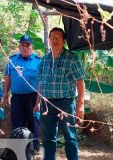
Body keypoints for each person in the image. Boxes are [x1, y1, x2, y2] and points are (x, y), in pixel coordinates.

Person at [36, 27, 86, 160]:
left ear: (64, 40)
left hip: (66, 103)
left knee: (70, 137)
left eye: (58, 37)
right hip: (46, 104)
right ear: (49, 40)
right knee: (48, 138)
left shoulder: (72, 58)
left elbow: (80, 82)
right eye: (52, 37)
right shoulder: (44, 59)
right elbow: (40, 83)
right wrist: (37, 103)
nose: (55, 40)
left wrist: (80, 105)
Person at [2, 35, 41, 153]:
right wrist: (5, 94)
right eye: (22, 45)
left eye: (27, 45)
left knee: (33, 123)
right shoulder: (12, 60)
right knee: (17, 122)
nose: (25, 48)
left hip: (33, 97)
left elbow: (41, 82)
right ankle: (18, 148)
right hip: (17, 98)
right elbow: (8, 78)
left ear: (32, 47)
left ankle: (33, 147)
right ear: (19, 46)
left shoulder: (39, 61)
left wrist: (39, 101)